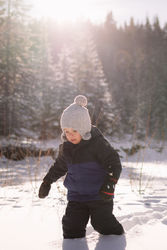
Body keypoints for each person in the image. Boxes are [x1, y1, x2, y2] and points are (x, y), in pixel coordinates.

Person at [38, 95, 124, 239]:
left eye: (74, 131)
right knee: (71, 227)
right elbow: (59, 166)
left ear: (83, 129)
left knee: (102, 223)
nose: (70, 135)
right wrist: (47, 182)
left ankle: (117, 239)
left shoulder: (97, 144)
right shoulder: (67, 148)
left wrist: (110, 183)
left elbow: (114, 163)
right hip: (76, 196)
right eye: (66, 131)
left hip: (100, 195)